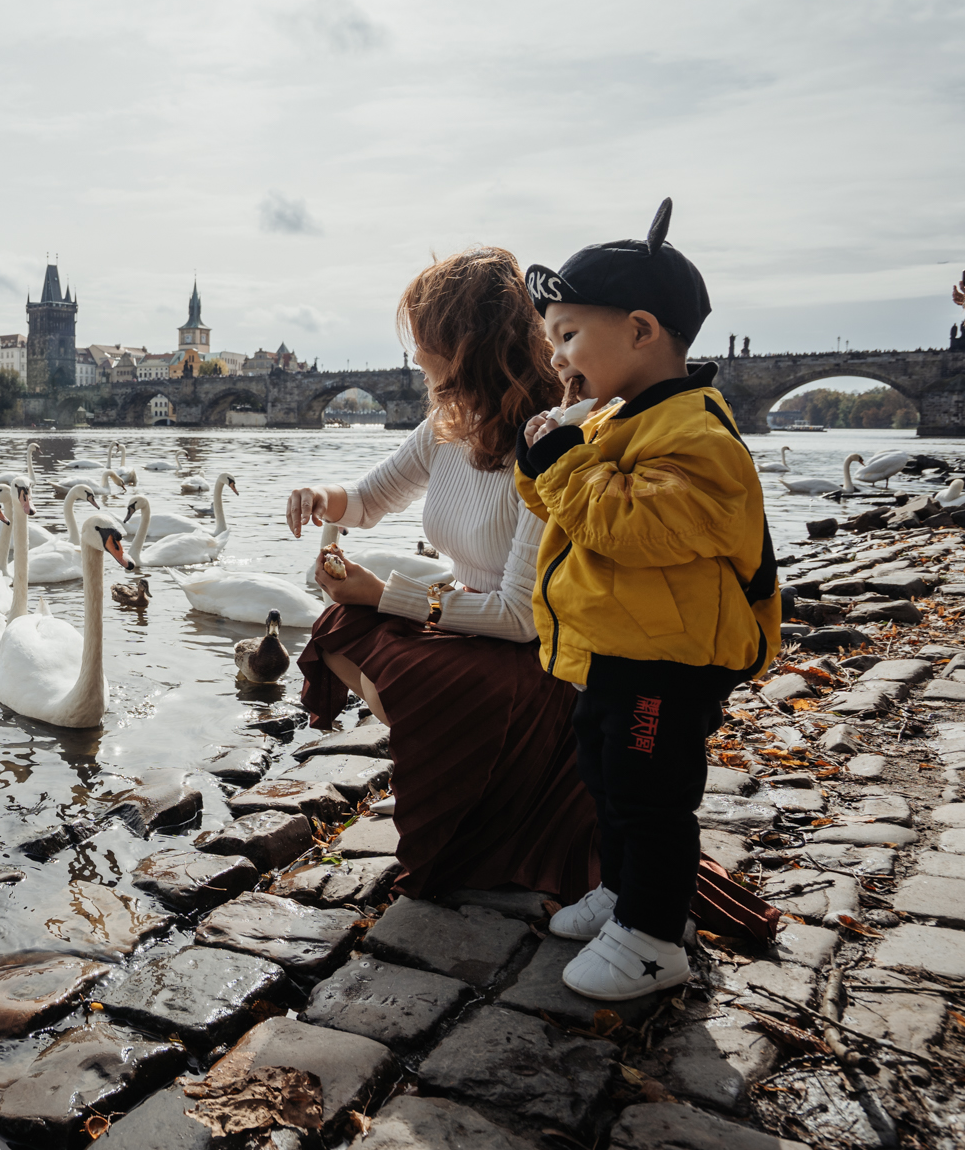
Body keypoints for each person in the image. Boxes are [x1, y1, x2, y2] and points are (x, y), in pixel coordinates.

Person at [517, 198, 779, 1002]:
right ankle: (624, 894)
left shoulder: (697, 434)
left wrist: (564, 460)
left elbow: (635, 528)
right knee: (607, 778)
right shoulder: (619, 418)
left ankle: (657, 934)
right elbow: (575, 512)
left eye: (567, 335)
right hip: (620, 647)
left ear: (640, 331)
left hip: (670, 658)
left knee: (653, 794)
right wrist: (544, 461)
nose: (557, 357)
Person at [287, 247, 597, 904]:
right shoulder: (451, 423)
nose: (417, 349)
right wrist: (321, 495)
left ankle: (485, 788)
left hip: (535, 661)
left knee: (393, 644)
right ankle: (463, 777)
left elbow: (520, 618)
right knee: (340, 625)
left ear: (470, 341)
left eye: (428, 333)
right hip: (469, 629)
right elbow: (369, 499)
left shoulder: (550, 438)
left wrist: (385, 593)